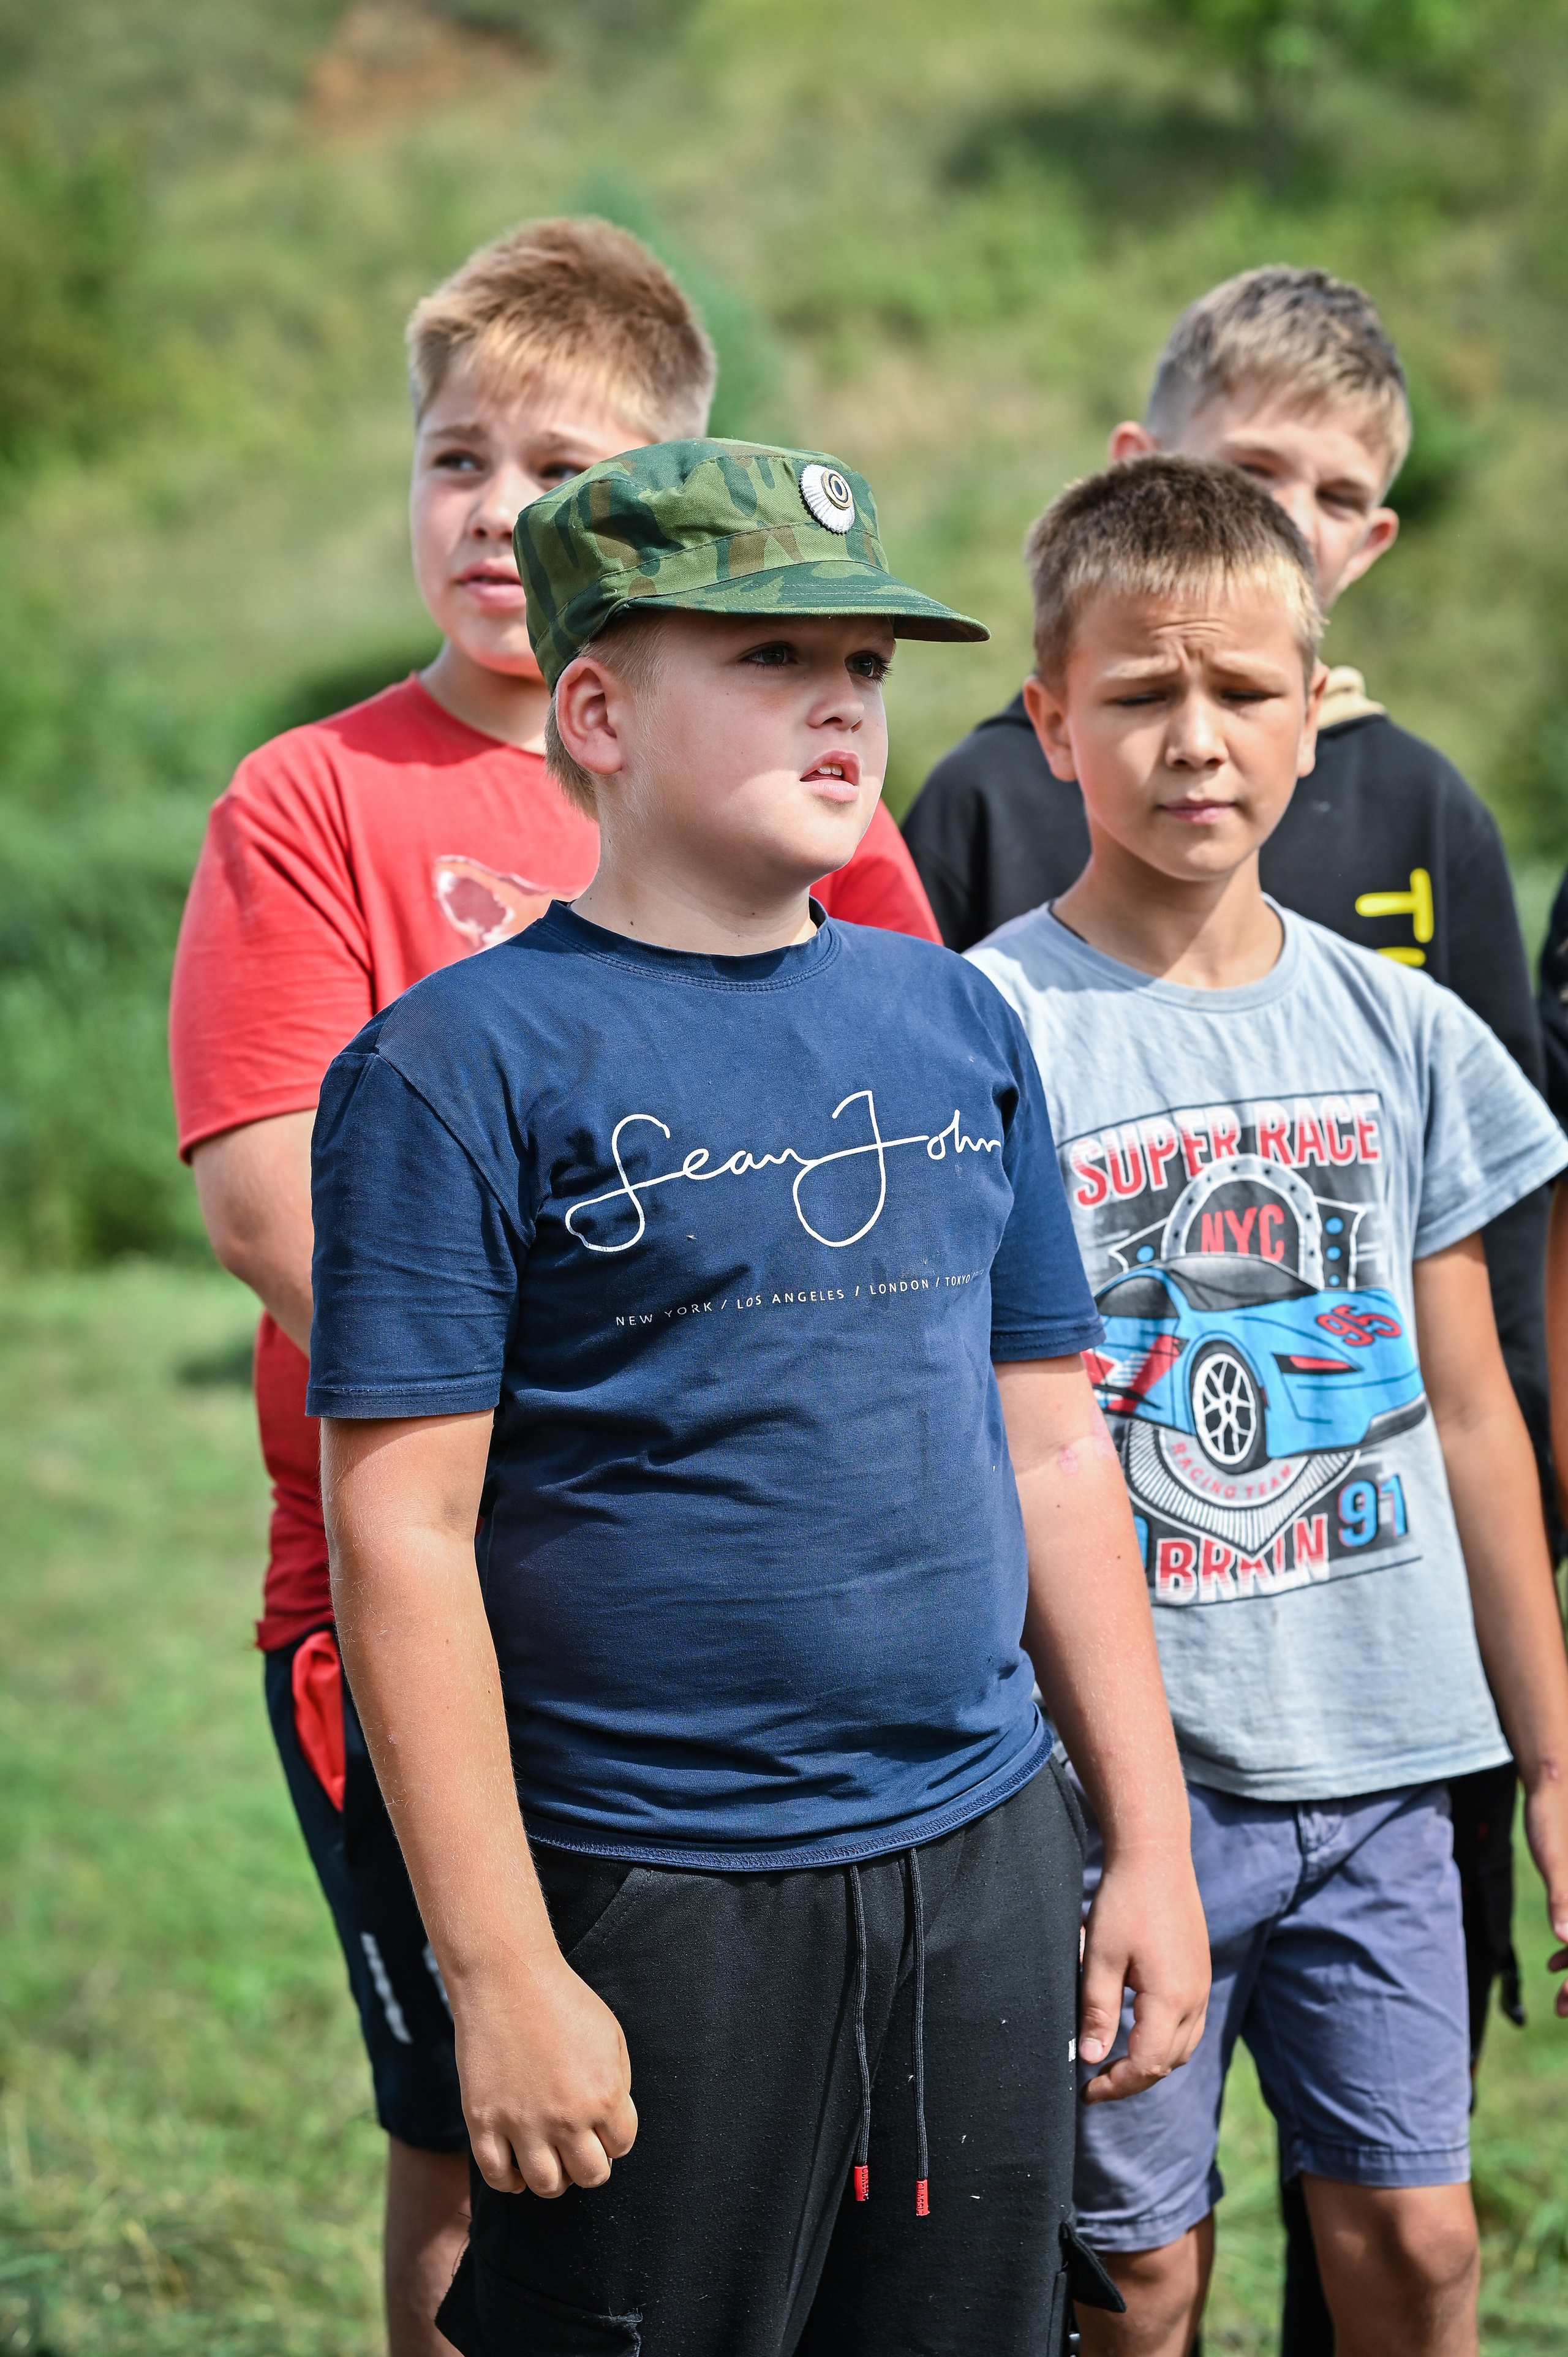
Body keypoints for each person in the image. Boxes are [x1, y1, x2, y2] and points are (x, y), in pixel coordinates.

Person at [306, 436, 1210, 2356]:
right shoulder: (453, 1065)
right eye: (775, 653)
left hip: (979, 1866)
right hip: (656, 1892)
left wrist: (1144, 1841)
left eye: (870, 665)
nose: (843, 702)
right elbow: (404, 1529)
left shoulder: (957, 1017)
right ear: (599, 705)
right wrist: (502, 1974)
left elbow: (1056, 1449)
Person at [168, 219, 941, 2356]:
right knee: (488, 2135)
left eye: (567, 469)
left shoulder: (781, 770)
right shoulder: (310, 803)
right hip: (420, 1593)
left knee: (765, 2140)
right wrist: (600, 1423)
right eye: (456, 459)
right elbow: (263, 1204)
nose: (502, 511)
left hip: (741, 1616)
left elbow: (894, 1132)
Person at [906, 266, 1550, 2348]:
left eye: (1247, 696)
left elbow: (1469, 1412)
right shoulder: (979, 1030)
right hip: (1112, 1786)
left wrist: (1554, 1763)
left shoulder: (1410, 1030)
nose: (1198, 742)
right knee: (1137, 2272)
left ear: (1317, 698)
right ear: (1052, 720)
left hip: (1390, 1765)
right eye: (1142, 698)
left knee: (1422, 2249)